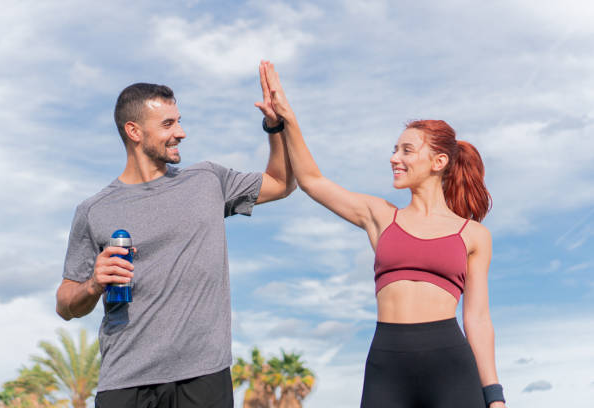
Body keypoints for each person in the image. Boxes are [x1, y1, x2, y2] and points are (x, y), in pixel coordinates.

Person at [258, 61, 507, 408]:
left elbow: (478, 319)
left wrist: (494, 397)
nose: (394, 158)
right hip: (387, 364)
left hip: (452, 367)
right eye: (394, 149)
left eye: (406, 150)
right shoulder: (380, 216)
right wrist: (286, 120)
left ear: (438, 162)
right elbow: (312, 181)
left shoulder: (474, 235)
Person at [56, 69, 295, 408]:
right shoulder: (94, 210)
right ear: (134, 131)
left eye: (178, 121)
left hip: (204, 376)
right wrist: (93, 284)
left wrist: (275, 126)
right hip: (126, 381)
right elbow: (65, 304)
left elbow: (282, 182)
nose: (180, 133)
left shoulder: (208, 180)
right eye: (167, 124)